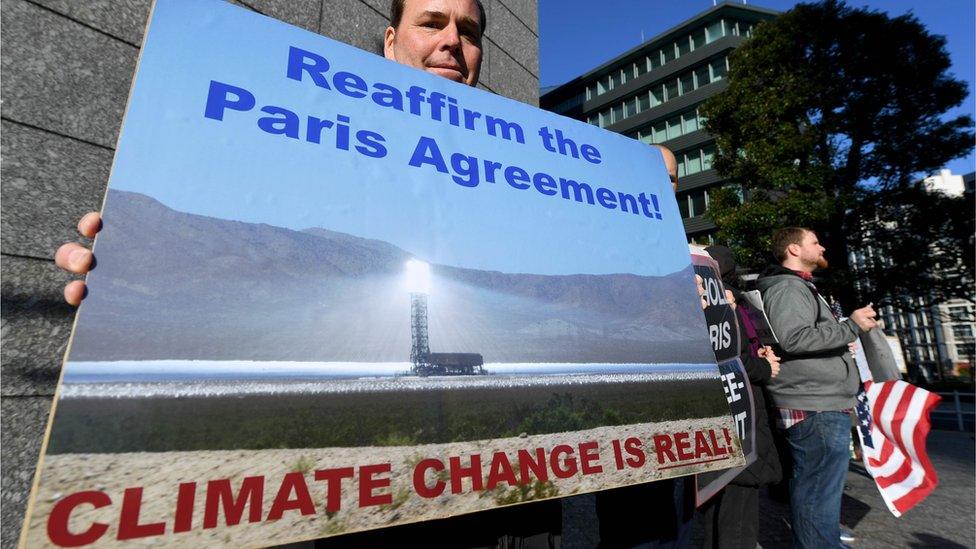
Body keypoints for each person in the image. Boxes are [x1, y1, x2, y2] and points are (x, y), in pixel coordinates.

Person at [755, 227, 877, 549]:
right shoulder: (788, 288)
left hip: (818, 401)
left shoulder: (798, 287)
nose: (822, 246)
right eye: (815, 242)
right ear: (794, 250)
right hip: (814, 404)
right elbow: (794, 338)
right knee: (818, 489)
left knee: (815, 486)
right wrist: (850, 327)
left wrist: (839, 341)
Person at [699, 245, 782, 549]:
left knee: (723, 507)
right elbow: (732, 358)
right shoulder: (719, 302)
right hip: (738, 413)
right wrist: (765, 366)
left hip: (735, 412)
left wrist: (759, 357)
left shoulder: (728, 301)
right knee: (738, 510)